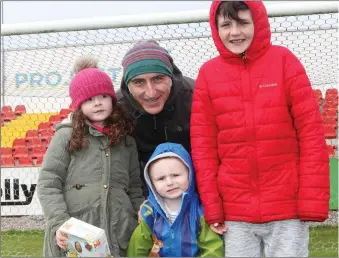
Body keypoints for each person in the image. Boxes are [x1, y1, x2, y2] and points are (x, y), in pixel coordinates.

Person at [190, 1, 330, 257]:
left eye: (243, 23)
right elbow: (203, 148)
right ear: (216, 28)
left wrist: (311, 201)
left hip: (287, 206)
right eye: (226, 25)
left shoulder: (284, 61)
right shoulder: (208, 74)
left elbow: (310, 134)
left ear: (259, 22)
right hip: (236, 211)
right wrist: (213, 207)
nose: (235, 32)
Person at [37, 56, 144, 257]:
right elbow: (48, 183)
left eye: (103, 96)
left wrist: (139, 211)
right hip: (75, 237)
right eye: (89, 99)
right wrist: (61, 223)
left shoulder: (127, 141)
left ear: (112, 98)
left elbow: (135, 187)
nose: (97, 103)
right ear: (78, 104)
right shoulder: (65, 135)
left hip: (119, 234)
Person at [116, 40, 195, 196]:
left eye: (158, 79)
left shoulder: (195, 96)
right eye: (139, 82)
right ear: (127, 85)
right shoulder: (117, 109)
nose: (151, 93)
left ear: (171, 77)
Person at [127, 142, 224, 257]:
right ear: (151, 183)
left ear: (190, 173)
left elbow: (212, 249)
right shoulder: (150, 213)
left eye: (176, 175)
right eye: (161, 178)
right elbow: (138, 249)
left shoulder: (200, 211)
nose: (169, 182)